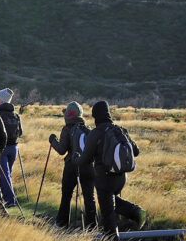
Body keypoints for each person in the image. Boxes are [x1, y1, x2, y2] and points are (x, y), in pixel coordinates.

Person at [73, 101, 146, 240]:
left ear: (95, 116)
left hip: (104, 179)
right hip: (121, 178)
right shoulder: (120, 130)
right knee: (111, 203)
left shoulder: (96, 133)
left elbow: (86, 159)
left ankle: (134, 213)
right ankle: (136, 212)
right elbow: (135, 151)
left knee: (108, 217)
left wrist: (76, 158)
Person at [49, 101, 96, 229]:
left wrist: (53, 140)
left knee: (66, 195)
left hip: (71, 166)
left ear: (68, 116)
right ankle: (93, 227)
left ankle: (61, 223)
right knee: (89, 197)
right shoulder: (88, 130)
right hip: (88, 166)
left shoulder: (67, 129)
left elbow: (61, 150)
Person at [0, 88, 22, 207]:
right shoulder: (15, 114)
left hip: (2, 148)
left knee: (4, 175)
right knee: (7, 174)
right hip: (14, 148)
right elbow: (20, 132)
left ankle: (10, 201)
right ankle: (6, 198)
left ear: (1, 100)